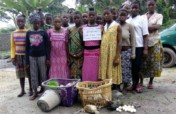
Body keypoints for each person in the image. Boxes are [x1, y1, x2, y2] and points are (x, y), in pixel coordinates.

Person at [26, 13, 49, 100]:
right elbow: (27, 47)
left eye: (38, 23)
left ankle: (44, 92)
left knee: (43, 75)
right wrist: (27, 61)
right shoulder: (28, 33)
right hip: (32, 57)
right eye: (34, 23)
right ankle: (35, 92)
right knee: (33, 74)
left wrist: (48, 58)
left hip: (42, 56)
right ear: (32, 23)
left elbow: (47, 46)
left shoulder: (43, 32)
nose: (36, 25)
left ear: (40, 23)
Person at [126, 1, 149, 93]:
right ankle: (133, 84)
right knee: (130, 67)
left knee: (137, 67)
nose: (134, 9)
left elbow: (146, 35)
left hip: (139, 46)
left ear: (139, 9)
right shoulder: (127, 20)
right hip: (129, 47)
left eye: (136, 7)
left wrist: (145, 49)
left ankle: (138, 84)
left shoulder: (142, 19)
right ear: (130, 9)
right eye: (132, 7)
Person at [140, 0, 163, 89]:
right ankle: (140, 81)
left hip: (155, 42)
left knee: (153, 63)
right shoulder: (142, 16)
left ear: (155, 5)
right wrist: (149, 28)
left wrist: (145, 28)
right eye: (149, 4)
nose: (150, 6)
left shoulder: (159, 16)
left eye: (152, 4)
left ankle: (150, 82)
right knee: (142, 62)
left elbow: (157, 27)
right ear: (147, 6)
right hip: (143, 43)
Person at [99, 7, 122, 86]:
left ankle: (114, 87)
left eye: (108, 13)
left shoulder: (117, 26)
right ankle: (106, 86)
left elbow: (120, 42)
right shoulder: (104, 26)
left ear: (112, 14)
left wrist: (117, 57)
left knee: (113, 68)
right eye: (104, 14)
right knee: (105, 68)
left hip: (113, 52)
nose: (106, 15)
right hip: (104, 52)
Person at [11, 14, 32, 97]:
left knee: (29, 73)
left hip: (27, 56)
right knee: (21, 74)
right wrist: (13, 57)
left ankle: (31, 89)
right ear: (16, 22)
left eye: (22, 21)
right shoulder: (13, 33)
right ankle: (22, 90)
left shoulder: (28, 32)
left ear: (25, 22)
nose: (20, 23)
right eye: (18, 21)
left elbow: (31, 45)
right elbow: (13, 46)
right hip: (18, 56)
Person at [82, 8, 102, 81]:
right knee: (87, 69)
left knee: (95, 69)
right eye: (89, 15)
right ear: (87, 16)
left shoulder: (100, 27)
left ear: (96, 16)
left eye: (93, 15)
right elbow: (82, 41)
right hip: (87, 52)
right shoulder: (84, 27)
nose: (91, 16)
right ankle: (87, 85)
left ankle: (95, 87)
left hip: (96, 51)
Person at [118, 9, 136, 91]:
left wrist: (133, 53)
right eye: (120, 15)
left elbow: (133, 40)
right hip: (117, 52)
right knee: (118, 69)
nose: (122, 16)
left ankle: (125, 86)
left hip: (126, 51)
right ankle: (118, 85)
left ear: (126, 16)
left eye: (123, 15)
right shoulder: (115, 26)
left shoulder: (129, 26)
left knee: (126, 69)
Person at [68, 11, 84, 79]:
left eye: (78, 18)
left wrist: (81, 52)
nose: (76, 19)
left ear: (81, 18)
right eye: (75, 18)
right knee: (73, 71)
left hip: (81, 54)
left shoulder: (83, 28)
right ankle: (74, 88)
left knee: (80, 70)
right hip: (72, 54)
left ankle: (80, 87)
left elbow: (85, 42)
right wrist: (70, 52)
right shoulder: (70, 29)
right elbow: (68, 41)